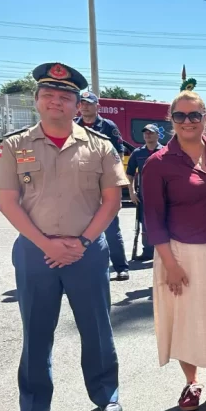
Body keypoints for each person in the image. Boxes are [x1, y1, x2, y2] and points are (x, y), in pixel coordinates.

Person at [0, 62, 125, 411]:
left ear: (77, 105)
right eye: (48, 95)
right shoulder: (14, 145)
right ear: (36, 101)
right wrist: (46, 243)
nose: (56, 102)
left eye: (65, 97)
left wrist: (80, 242)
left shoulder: (100, 146)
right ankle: (33, 405)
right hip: (35, 252)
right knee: (35, 328)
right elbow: (7, 202)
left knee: (96, 328)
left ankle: (105, 395)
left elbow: (111, 201)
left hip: (87, 252)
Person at [141, 86, 206, 411]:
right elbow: (152, 218)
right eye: (181, 115)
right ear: (171, 119)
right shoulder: (157, 163)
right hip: (178, 252)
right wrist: (169, 262)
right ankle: (191, 383)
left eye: (195, 115)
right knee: (184, 320)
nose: (188, 121)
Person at [76, 90, 130, 281]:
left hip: (103, 185)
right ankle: (82, 268)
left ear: (97, 106)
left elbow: (119, 154)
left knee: (111, 229)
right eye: (82, 103)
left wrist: (113, 182)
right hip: (81, 187)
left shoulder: (107, 126)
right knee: (80, 229)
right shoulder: (73, 126)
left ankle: (121, 267)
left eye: (89, 103)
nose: (85, 106)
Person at [126, 123, 163, 261]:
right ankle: (147, 251)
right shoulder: (137, 153)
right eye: (145, 133)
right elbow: (129, 174)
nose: (147, 135)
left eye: (151, 132)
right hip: (143, 196)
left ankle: (162, 251)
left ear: (158, 135)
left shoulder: (164, 151)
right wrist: (131, 192)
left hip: (162, 195)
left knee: (163, 223)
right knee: (146, 226)